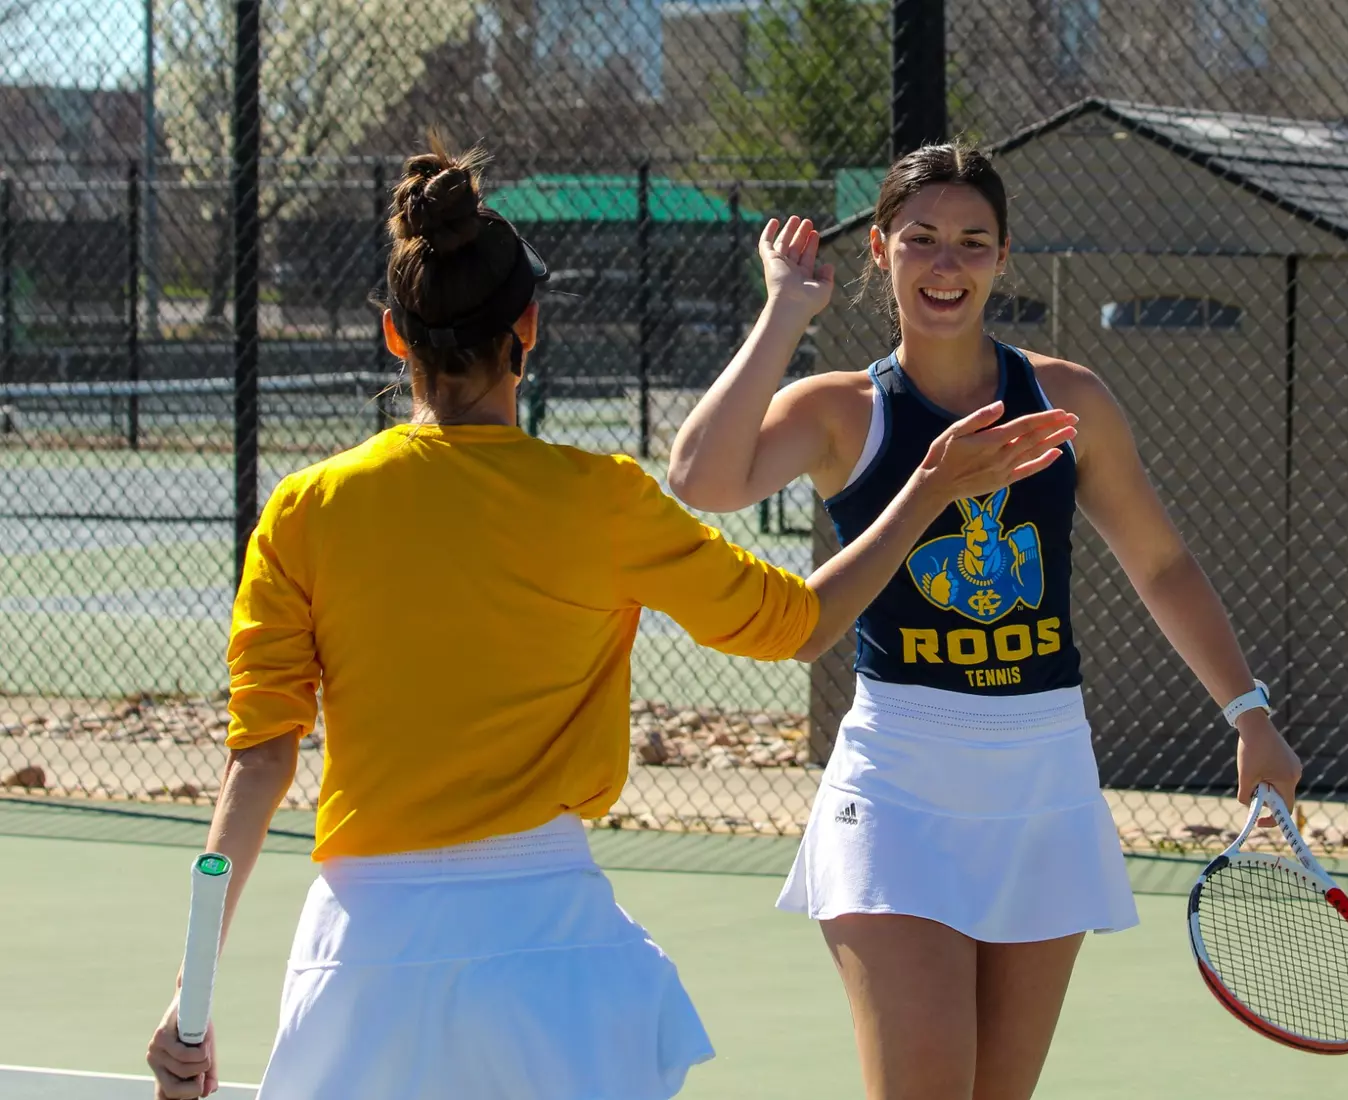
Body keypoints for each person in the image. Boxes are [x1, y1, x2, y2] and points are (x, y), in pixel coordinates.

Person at [142, 138, 1078, 1100]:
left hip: (361, 949)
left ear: (394, 335)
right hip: (555, 950)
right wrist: (924, 494)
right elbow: (797, 623)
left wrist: (191, 990)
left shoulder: (306, 510)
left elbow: (259, 759)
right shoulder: (603, 499)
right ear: (532, 327)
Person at [667, 143, 1304, 1099]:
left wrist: (1249, 713)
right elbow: (699, 478)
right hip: (897, 786)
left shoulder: (1066, 398)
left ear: (1004, 259)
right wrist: (784, 311)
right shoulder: (844, 409)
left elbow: (1162, 563)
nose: (947, 265)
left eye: (972, 243)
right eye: (920, 241)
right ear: (880, 251)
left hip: (1042, 779)